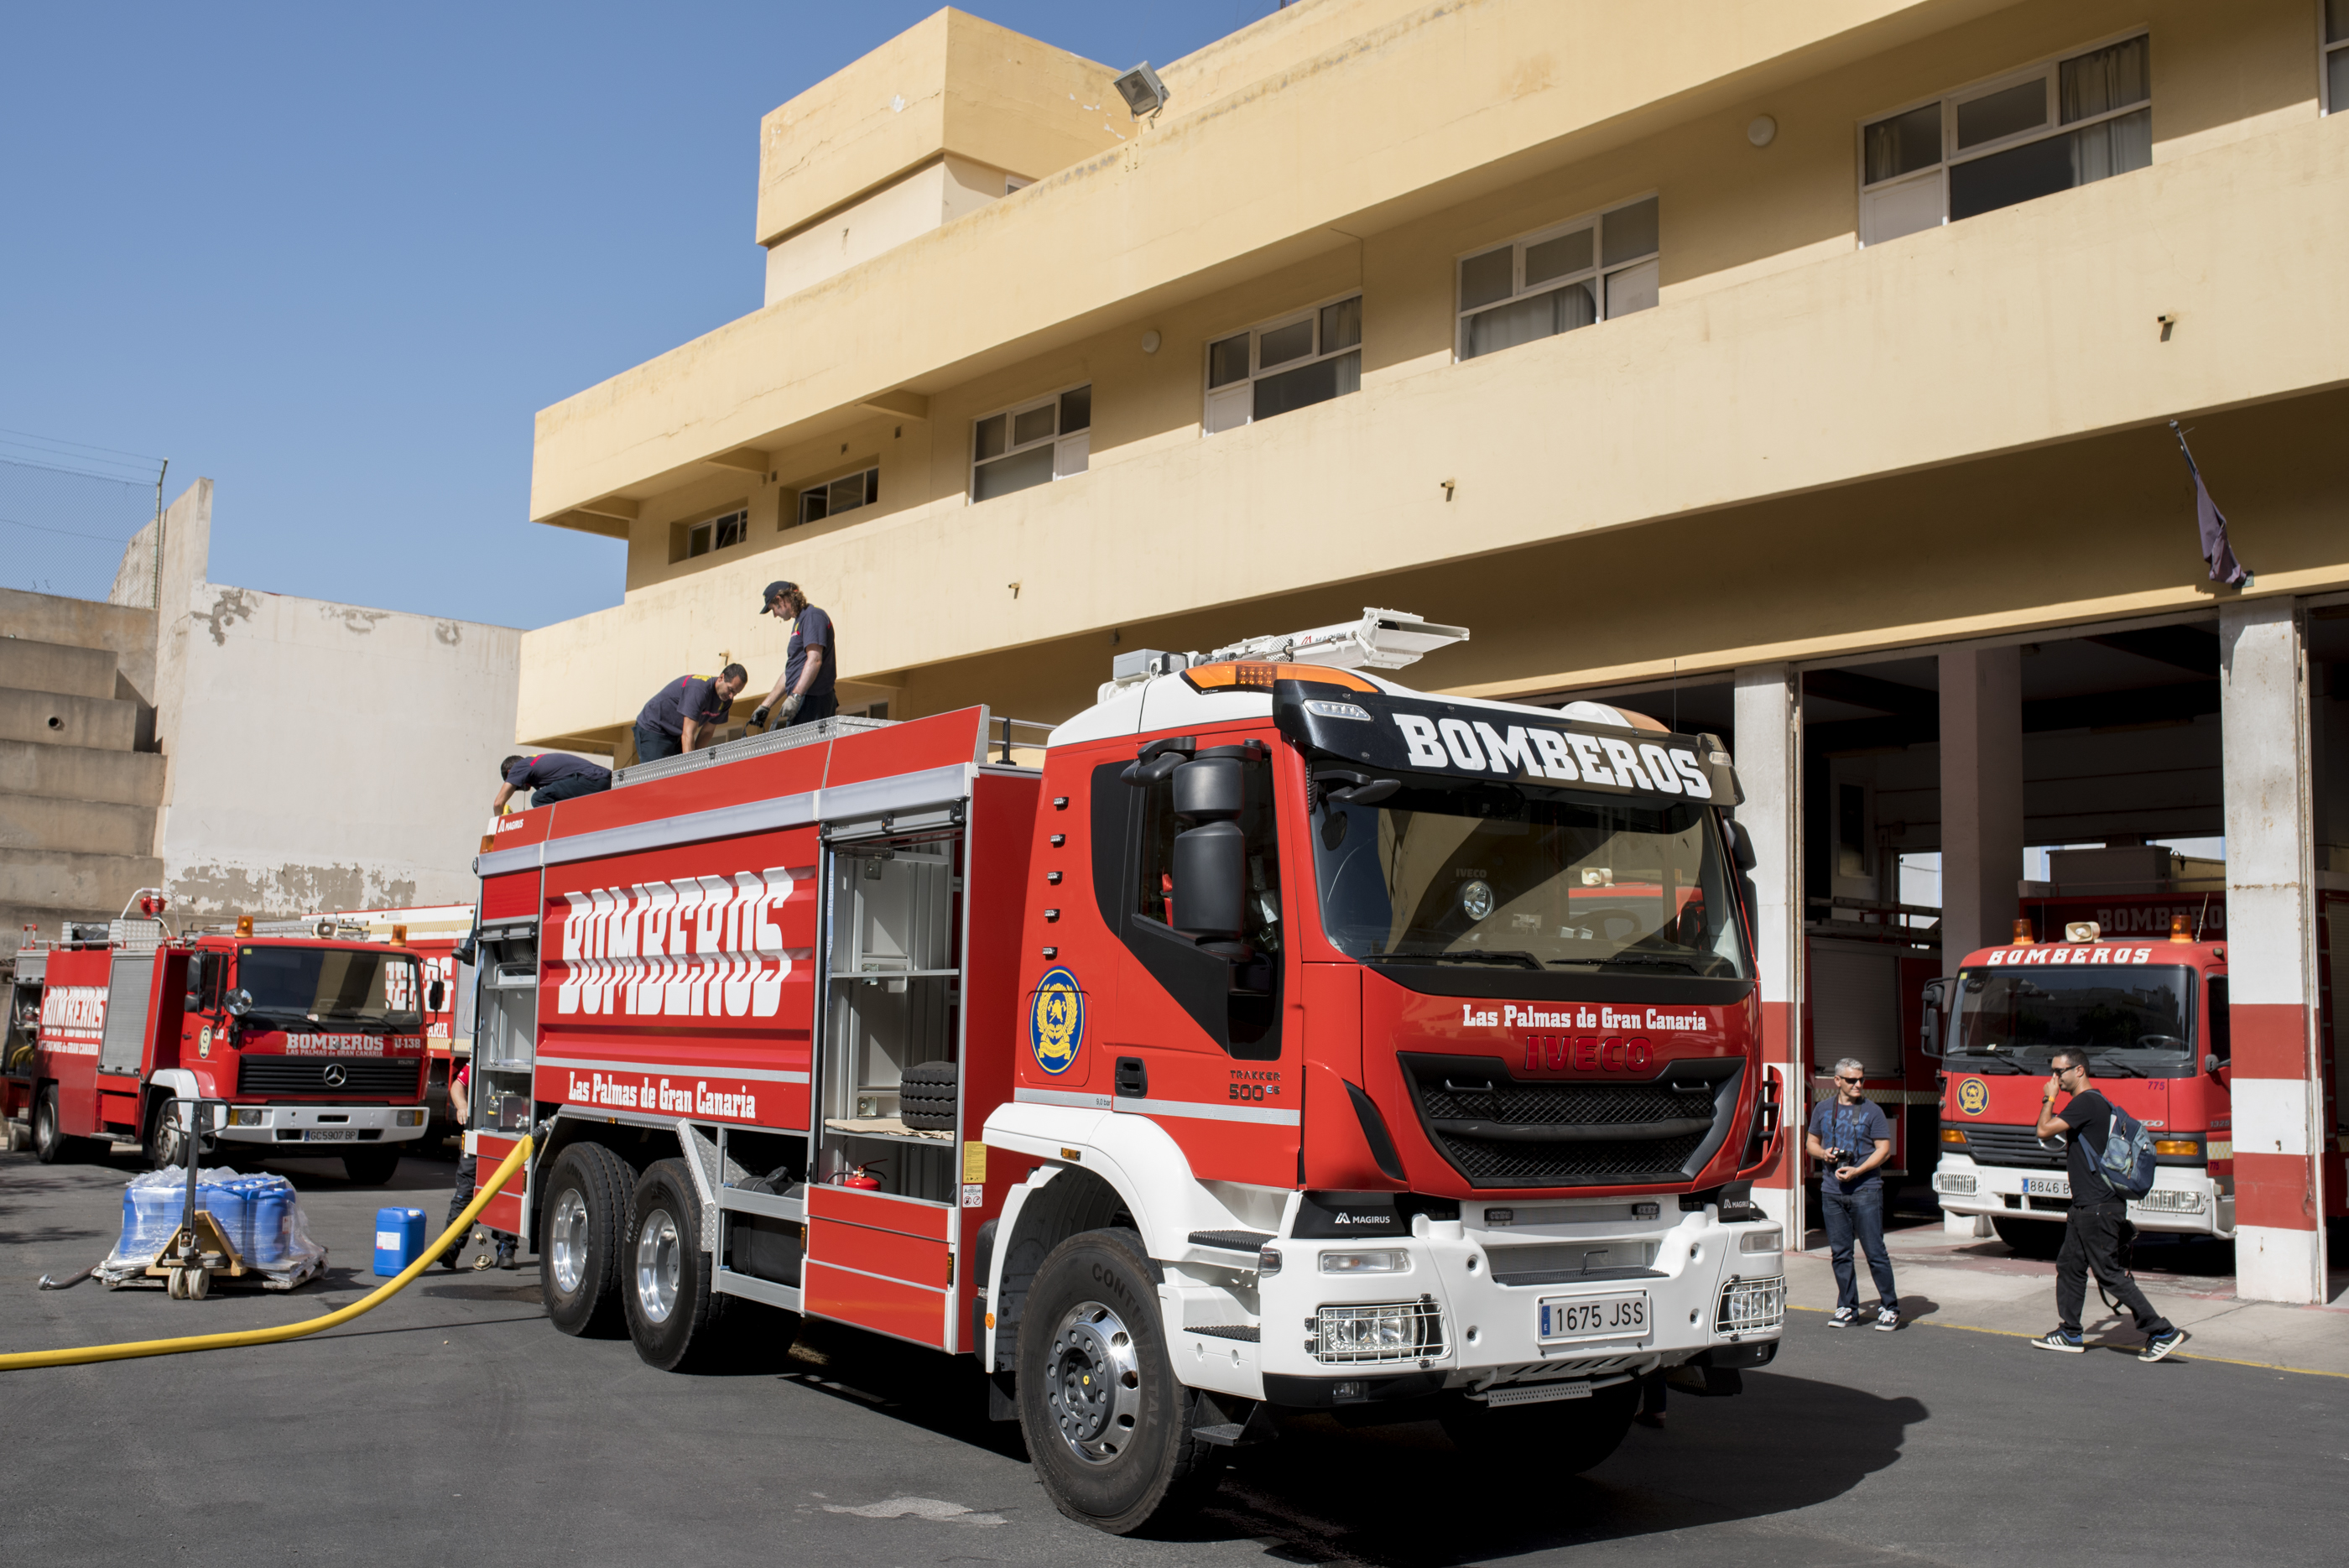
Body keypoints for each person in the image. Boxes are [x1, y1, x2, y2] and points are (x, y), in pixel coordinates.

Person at [2031, 1050, 2186, 1360]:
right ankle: (2071, 1332)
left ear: (2079, 1071)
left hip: (2098, 1207)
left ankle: (2161, 1330)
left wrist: (2048, 1099)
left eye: (2060, 1072)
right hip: (2086, 1206)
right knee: (2070, 1265)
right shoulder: (2090, 1104)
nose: (2055, 1078)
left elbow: (2043, 1130)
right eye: (2052, 1072)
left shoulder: (2086, 1102)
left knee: (2108, 1273)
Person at [1806, 1057, 1899, 1330]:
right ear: (1837, 1081)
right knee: (1841, 1253)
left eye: (1861, 1079)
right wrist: (1824, 1153)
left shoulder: (1873, 1111)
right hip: (1831, 1190)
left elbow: (1884, 1150)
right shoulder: (1823, 1109)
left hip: (1866, 1190)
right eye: (1851, 1080)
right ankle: (1847, 1306)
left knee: (1874, 1251)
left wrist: (1858, 1171)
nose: (1858, 1084)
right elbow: (1811, 1143)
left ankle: (1890, 1307)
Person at [440, 1060, 516, 1271]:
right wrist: (462, 1106)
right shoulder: (480, 1057)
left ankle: (506, 1250)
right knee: (465, 1190)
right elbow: (457, 1086)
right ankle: (450, 1247)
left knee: (506, 1190)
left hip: (509, 1133)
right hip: (478, 1131)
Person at [750, 581, 837, 731]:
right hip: (803, 699)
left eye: (772, 609)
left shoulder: (812, 616)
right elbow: (791, 671)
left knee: (808, 753)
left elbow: (815, 660)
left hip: (813, 700)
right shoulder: (800, 620)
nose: (775, 615)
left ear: (780, 600)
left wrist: (795, 697)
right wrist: (766, 705)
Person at [634, 664, 747, 763]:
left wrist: (695, 760)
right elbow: (688, 734)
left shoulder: (725, 701)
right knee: (658, 778)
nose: (731, 696)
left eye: (736, 693)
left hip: (675, 733)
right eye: (731, 690)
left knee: (677, 778)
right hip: (654, 727)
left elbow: (707, 732)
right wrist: (691, 769)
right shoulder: (699, 691)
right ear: (721, 678)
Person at [492, 752, 611, 812]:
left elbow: (498, 804)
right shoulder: (538, 768)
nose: (517, 788)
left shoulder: (519, 767)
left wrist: (499, 828)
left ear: (510, 772)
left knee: (538, 799)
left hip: (591, 779)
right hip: (603, 779)